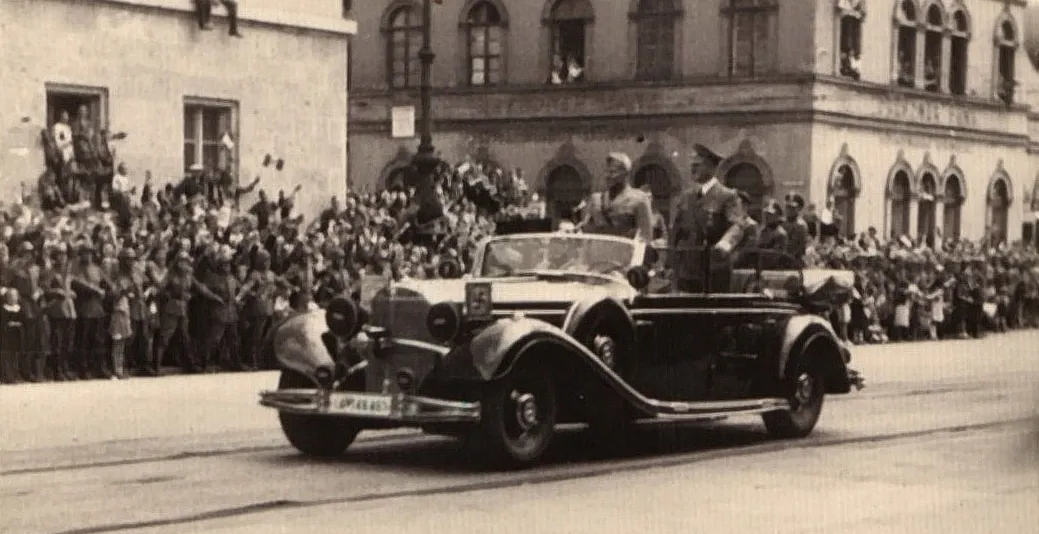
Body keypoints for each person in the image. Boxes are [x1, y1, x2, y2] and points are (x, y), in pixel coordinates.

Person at [668, 144, 747, 293]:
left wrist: (726, 243)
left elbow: (737, 225)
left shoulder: (727, 196)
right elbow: (676, 232)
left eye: (698, 165)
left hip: (713, 268)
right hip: (686, 269)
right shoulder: (687, 196)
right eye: (692, 165)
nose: (693, 169)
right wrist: (669, 262)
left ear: (712, 168)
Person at [579, 152, 654, 242]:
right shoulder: (596, 199)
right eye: (606, 171)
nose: (607, 176)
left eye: (613, 172)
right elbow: (585, 230)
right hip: (598, 253)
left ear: (626, 174)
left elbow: (645, 237)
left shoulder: (639, 199)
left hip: (625, 254)